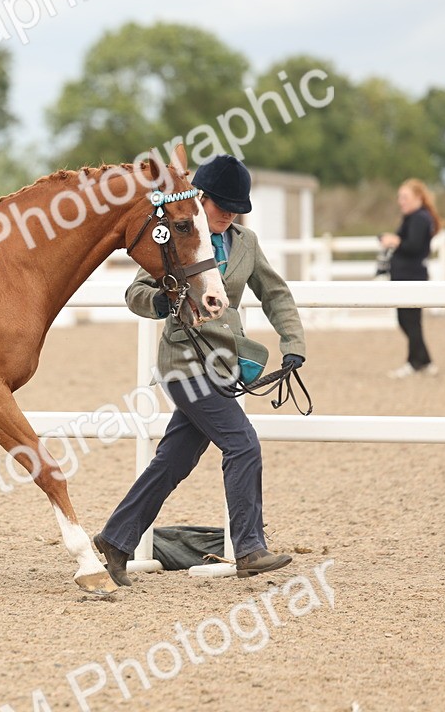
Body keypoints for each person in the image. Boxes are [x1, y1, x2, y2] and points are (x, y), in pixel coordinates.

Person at [92, 154, 305, 584]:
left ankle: (116, 538)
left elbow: (275, 293)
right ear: (200, 199)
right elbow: (136, 291)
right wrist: (161, 302)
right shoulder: (177, 234)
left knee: (174, 459)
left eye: (234, 208)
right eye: (220, 205)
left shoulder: (246, 243)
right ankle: (248, 548)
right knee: (242, 444)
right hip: (184, 364)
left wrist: (293, 344)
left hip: (224, 364)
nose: (228, 214)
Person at [379, 179, 443, 378]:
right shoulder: (413, 218)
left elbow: (413, 246)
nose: (400, 201)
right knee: (407, 320)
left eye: (404, 197)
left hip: (411, 276)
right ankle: (424, 361)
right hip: (405, 276)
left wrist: (394, 241)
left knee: (410, 320)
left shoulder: (419, 218)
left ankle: (415, 362)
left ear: (418, 198)